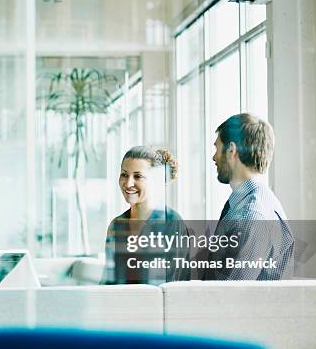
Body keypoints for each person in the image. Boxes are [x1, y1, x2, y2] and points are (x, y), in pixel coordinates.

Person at [204, 113, 294, 280]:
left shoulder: (250, 216)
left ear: (231, 150)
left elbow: (231, 295)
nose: (214, 157)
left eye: (216, 148)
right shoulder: (258, 201)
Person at [102, 146, 190, 284]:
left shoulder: (172, 223)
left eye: (138, 176)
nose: (128, 183)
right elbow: (108, 281)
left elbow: (179, 283)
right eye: (124, 174)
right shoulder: (117, 224)